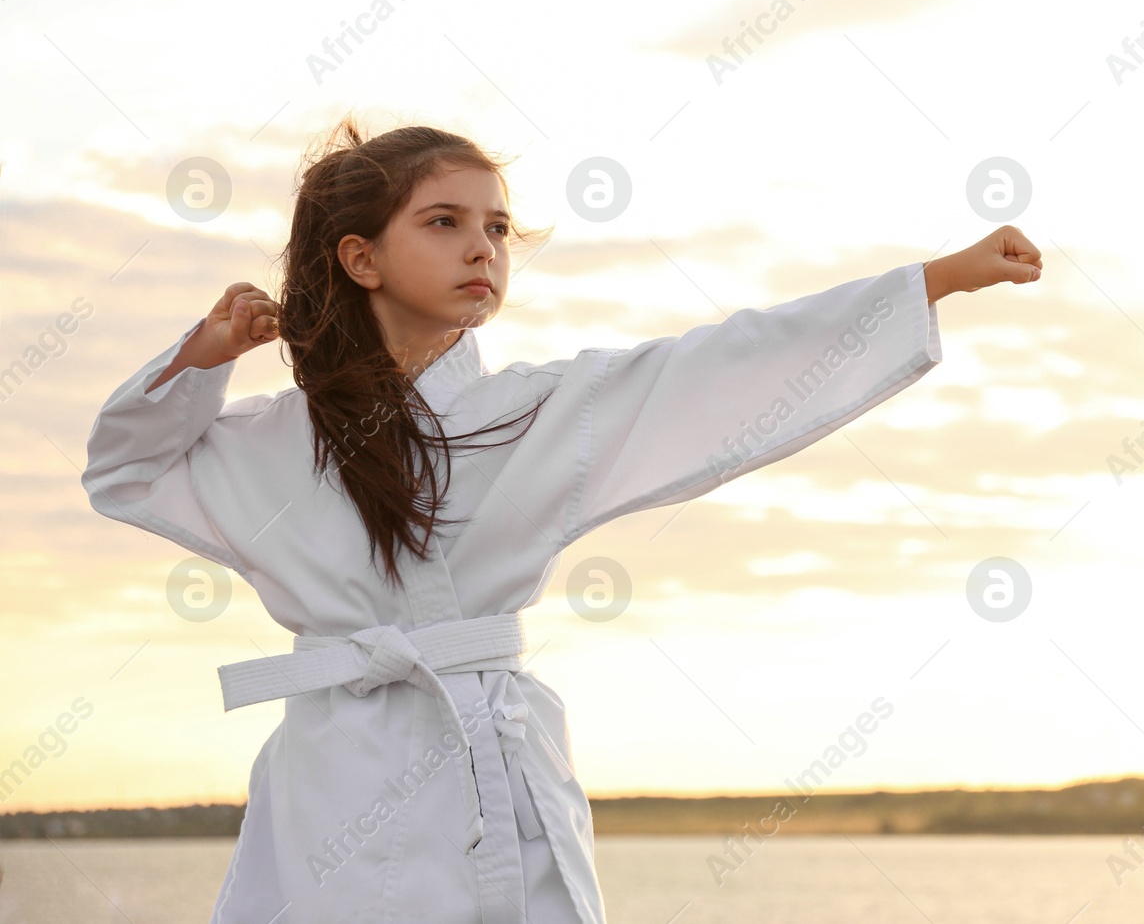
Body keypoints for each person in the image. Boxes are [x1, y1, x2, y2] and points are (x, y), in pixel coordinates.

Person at [80, 116, 1044, 924]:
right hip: (335, 779)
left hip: (495, 761)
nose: (482, 249)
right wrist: (202, 359)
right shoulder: (269, 444)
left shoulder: (538, 412)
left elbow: (711, 368)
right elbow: (123, 467)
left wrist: (933, 280)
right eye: (445, 222)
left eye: (498, 229)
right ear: (359, 256)